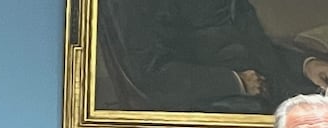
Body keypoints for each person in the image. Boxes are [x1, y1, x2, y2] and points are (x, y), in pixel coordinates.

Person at [99, 0, 328, 113]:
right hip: (206, 110)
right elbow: (149, 73)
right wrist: (236, 82)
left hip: (263, 102)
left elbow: (257, 51)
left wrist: (306, 66)